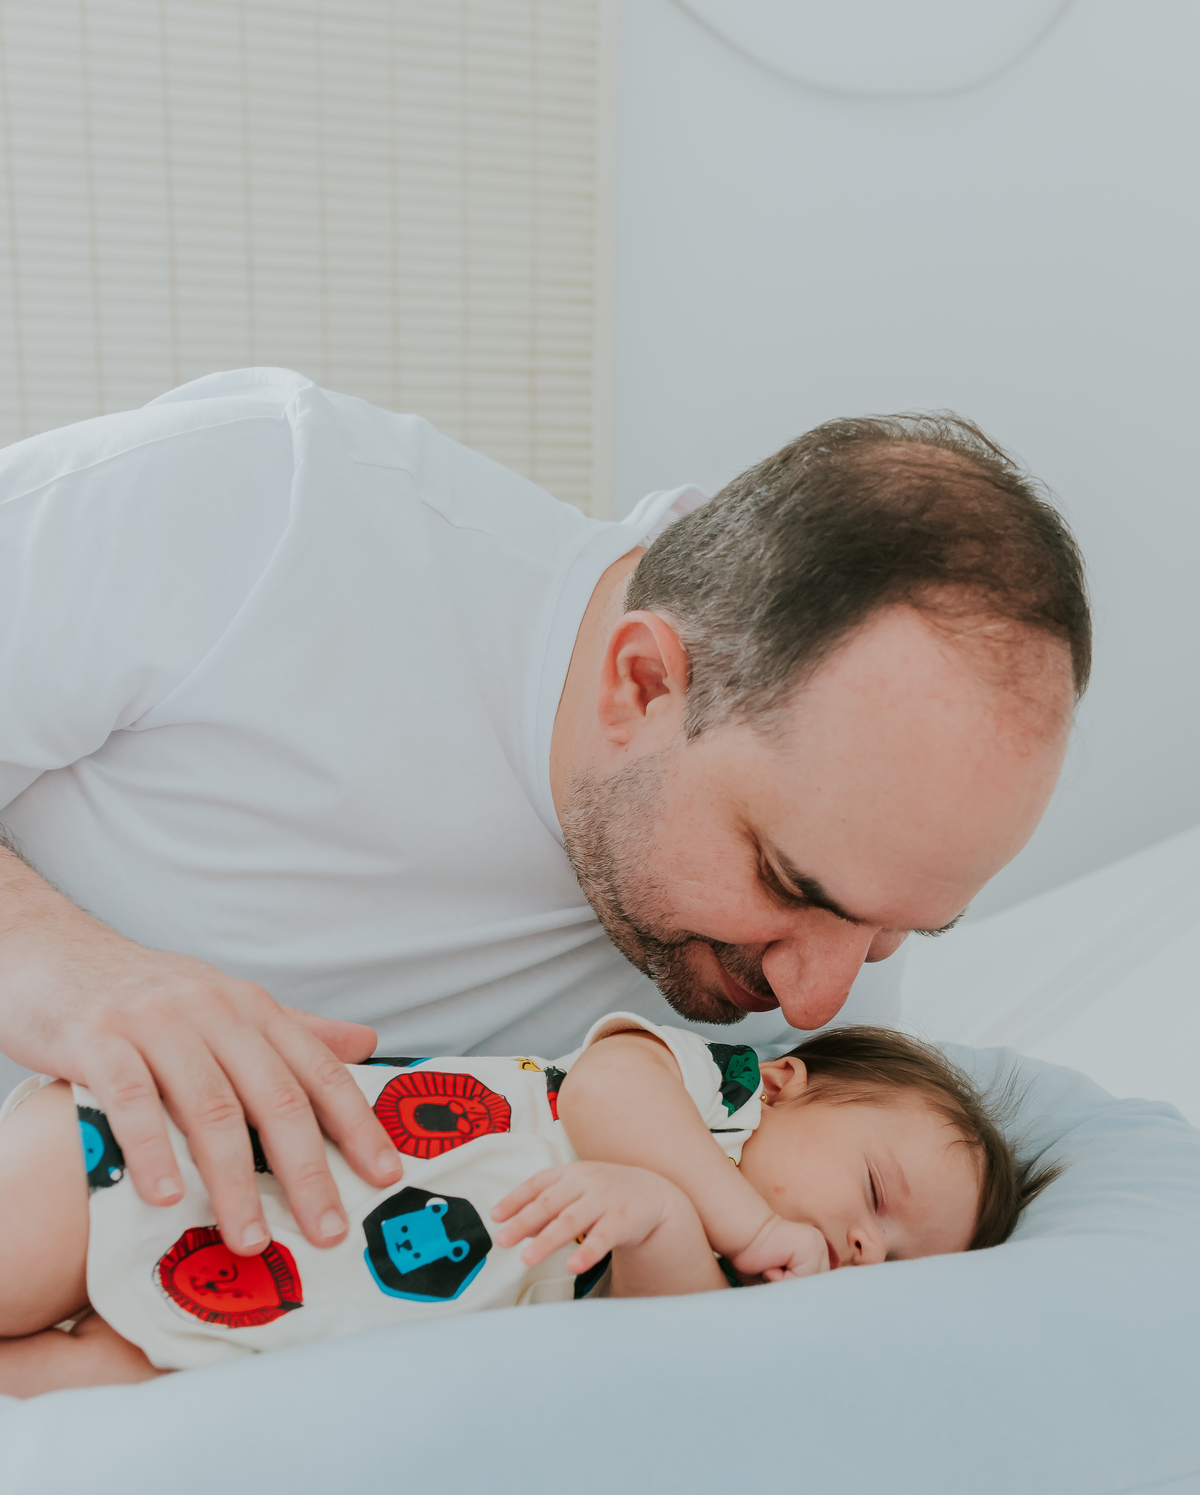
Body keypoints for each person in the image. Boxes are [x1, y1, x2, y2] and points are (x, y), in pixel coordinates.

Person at [0, 371, 1089, 1266]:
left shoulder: (815, 1025)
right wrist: (66, 971)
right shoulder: (263, 505)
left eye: (898, 932)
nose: (818, 997)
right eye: (791, 888)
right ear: (643, 685)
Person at [0, 1013, 1049, 1396]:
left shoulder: (743, 1302)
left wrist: (670, 1225)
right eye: (875, 1194)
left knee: (89, 1384)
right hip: (178, 1158)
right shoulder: (711, 1094)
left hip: (256, 1319)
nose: (867, 1244)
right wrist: (742, 1217)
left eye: (900, 1259)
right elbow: (602, 1092)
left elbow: (662, 1332)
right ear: (786, 1085)